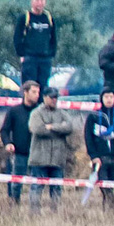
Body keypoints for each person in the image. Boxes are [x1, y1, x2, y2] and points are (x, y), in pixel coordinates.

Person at [25, 85, 75, 213]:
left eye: (56, 97)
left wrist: (51, 127)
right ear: (44, 97)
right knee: (36, 187)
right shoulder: (36, 113)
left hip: (58, 159)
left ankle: (54, 212)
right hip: (39, 159)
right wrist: (59, 129)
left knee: (57, 188)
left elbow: (69, 127)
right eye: (51, 97)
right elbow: (37, 129)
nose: (54, 100)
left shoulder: (62, 113)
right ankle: (34, 212)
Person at [84, 88, 114, 211]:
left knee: (111, 184)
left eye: (111, 97)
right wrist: (93, 156)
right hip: (100, 158)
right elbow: (88, 137)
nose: (109, 99)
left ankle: (108, 212)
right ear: (102, 99)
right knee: (104, 186)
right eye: (106, 97)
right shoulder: (93, 116)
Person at [0, 80, 42, 207]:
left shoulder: (40, 111)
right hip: (19, 153)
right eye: (34, 92)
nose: (37, 95)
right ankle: (14, 206)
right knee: (15, 184)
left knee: (37, 184)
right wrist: (8, 143)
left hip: (37, 154)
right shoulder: (14, 111)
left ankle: (34, 209)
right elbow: (4, 130)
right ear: (25, 92)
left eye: (38, 92)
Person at [12, 0, 59, 93]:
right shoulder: (25, 18)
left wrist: (51, 53)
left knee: (43, 88)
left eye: (42, 0)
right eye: (37, 1)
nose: (40, 3)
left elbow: (54, 38)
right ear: (32, 2)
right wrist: (21, 54)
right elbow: (17, 37)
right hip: (30, 58)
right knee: (30, 87)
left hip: (45, 59)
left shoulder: (49, 18)